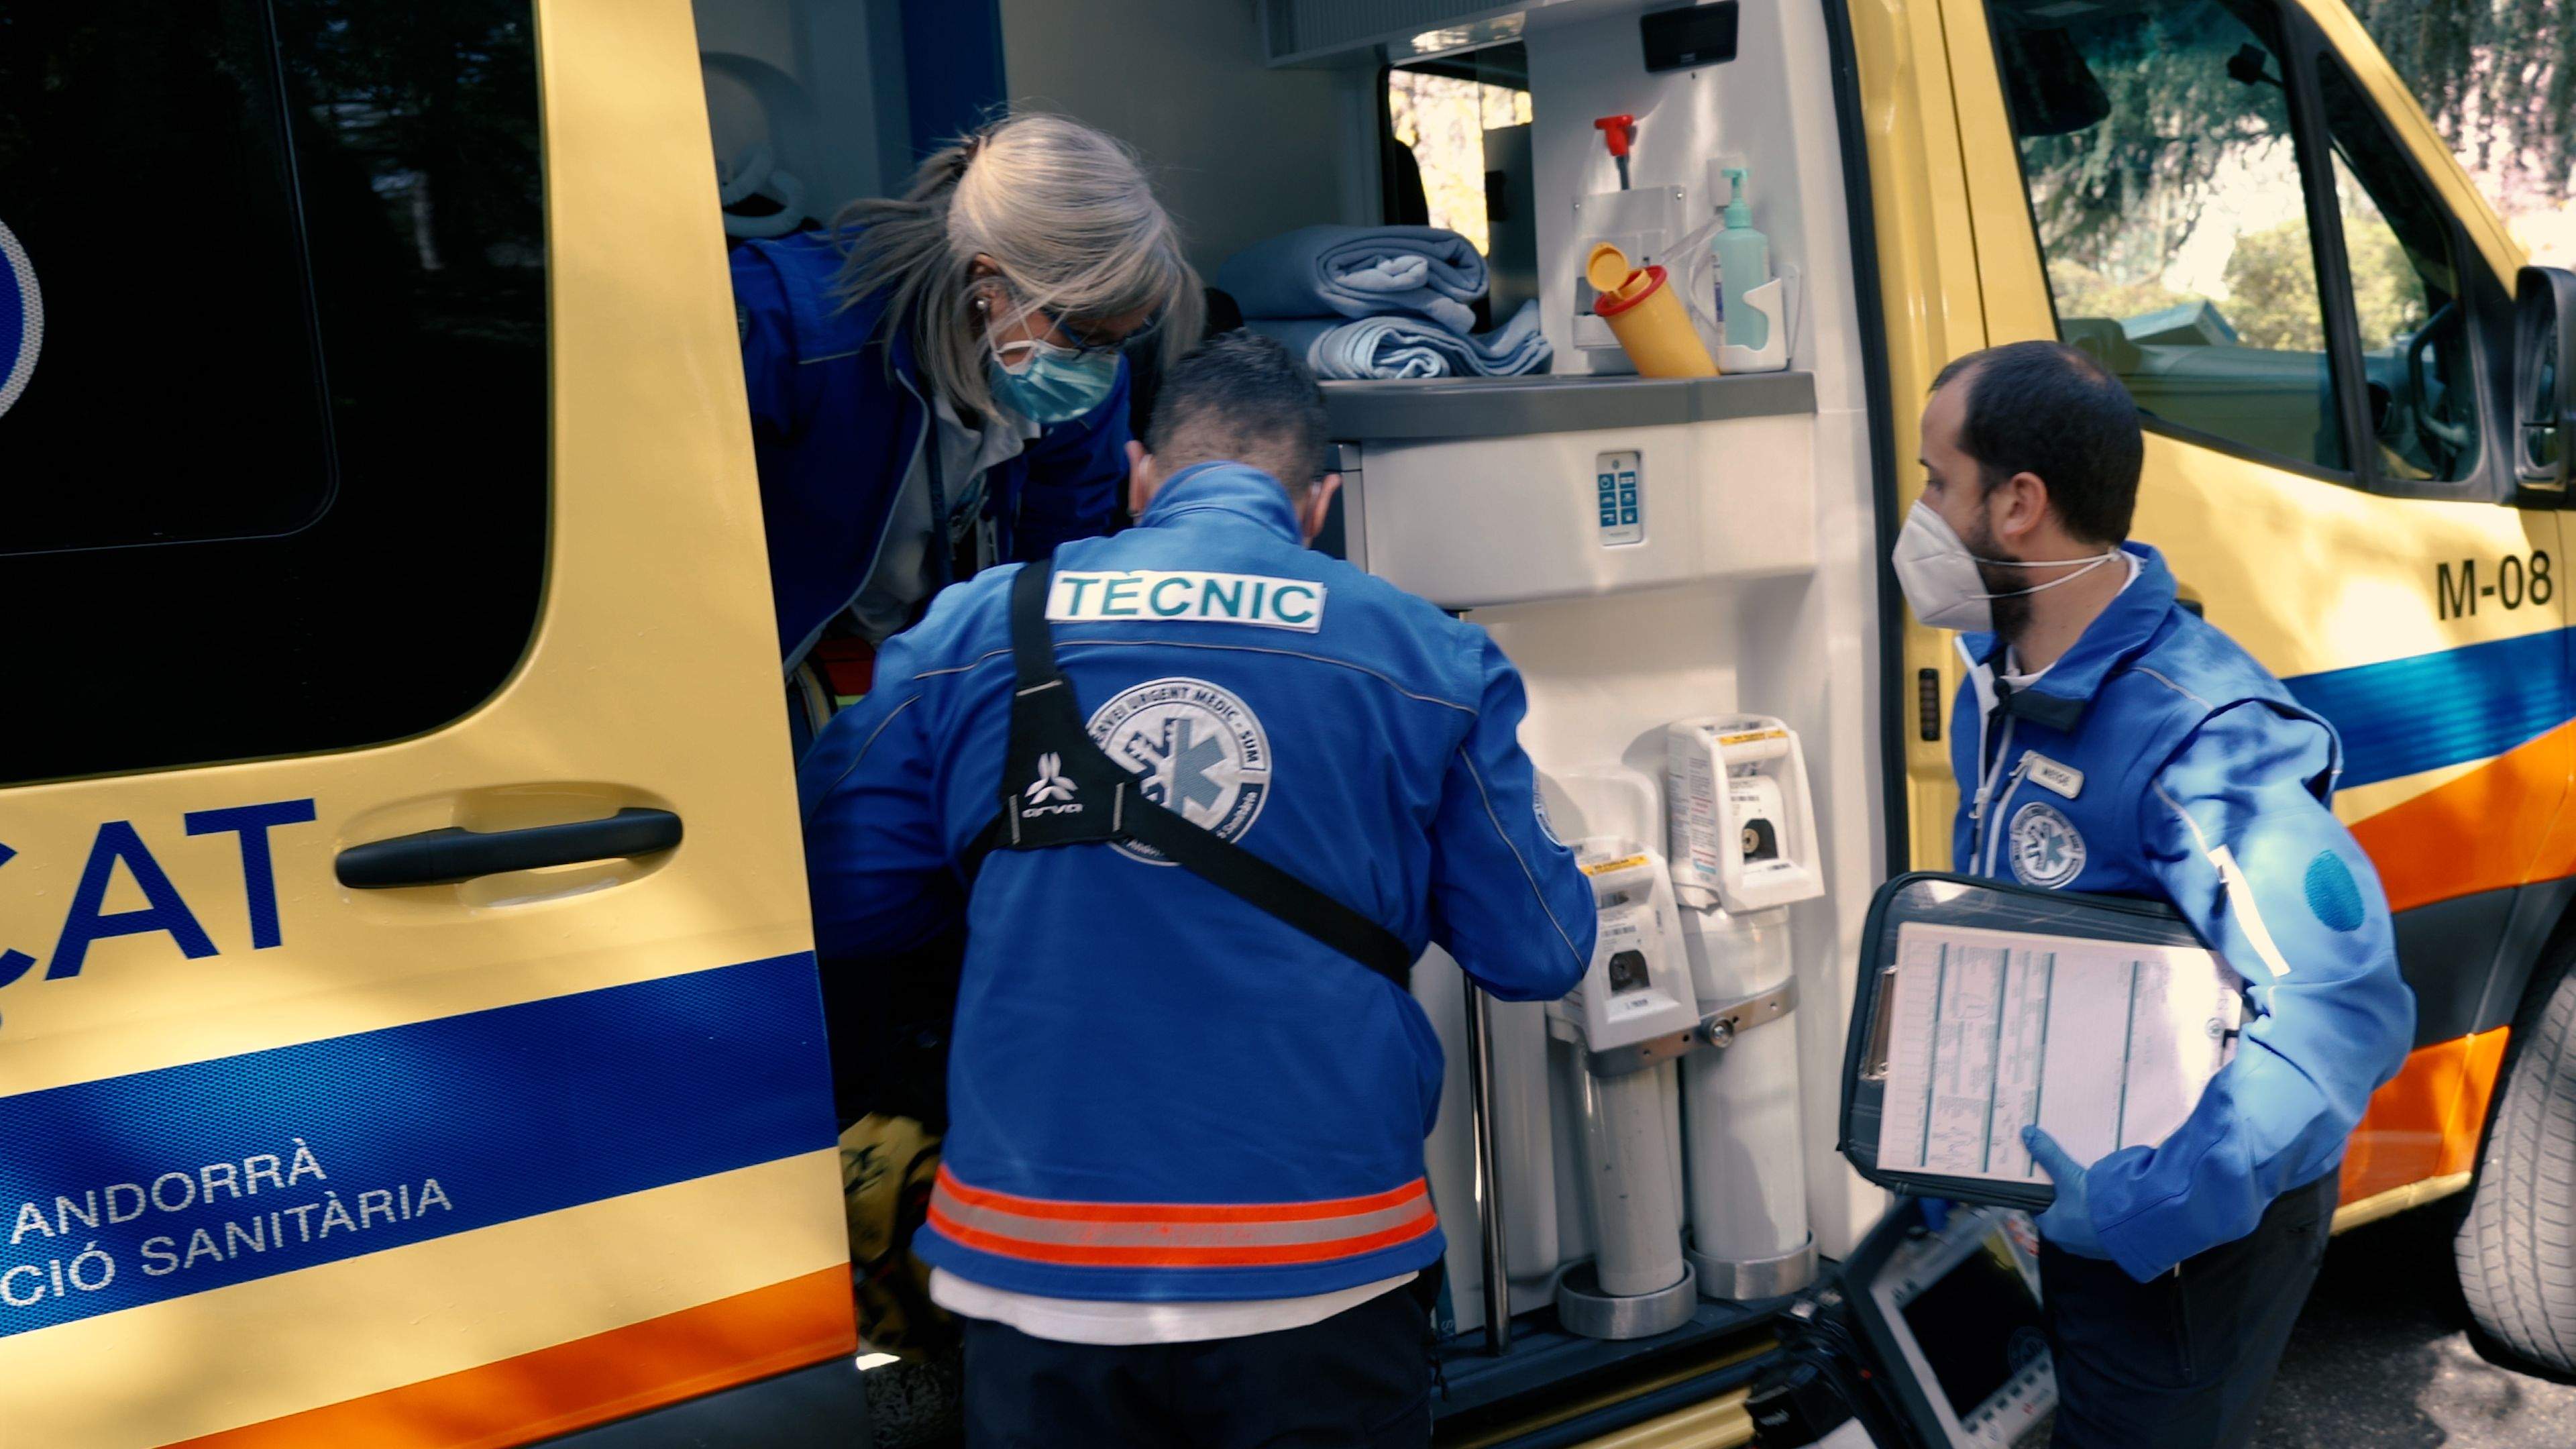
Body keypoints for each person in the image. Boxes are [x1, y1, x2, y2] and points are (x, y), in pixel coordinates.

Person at [800, 333, 1595, 1448]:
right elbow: (1541, 950)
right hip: (1324, 1262)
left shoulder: (972, 631)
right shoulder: (1433, 661)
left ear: (1138, 479)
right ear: (1313, 505)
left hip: (1036, 1266)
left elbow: (842, 901)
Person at [1898, 340, 2415, 1448]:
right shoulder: (1998, 679)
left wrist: (2145, 1207)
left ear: (2020, 503)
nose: (1921, 512)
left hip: (2174, 1244)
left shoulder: (2200, 737)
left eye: (1938, 482)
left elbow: (2342, 1015)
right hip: (2057, 1212)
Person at [733, 112, 1203, 673]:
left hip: (919, 671)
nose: (1099, 367)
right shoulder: (785, 330)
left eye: (1117, 343)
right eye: (1087, 337)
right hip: (760, 666)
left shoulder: (1082, 378)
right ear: (988, 285)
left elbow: (1056, 567)